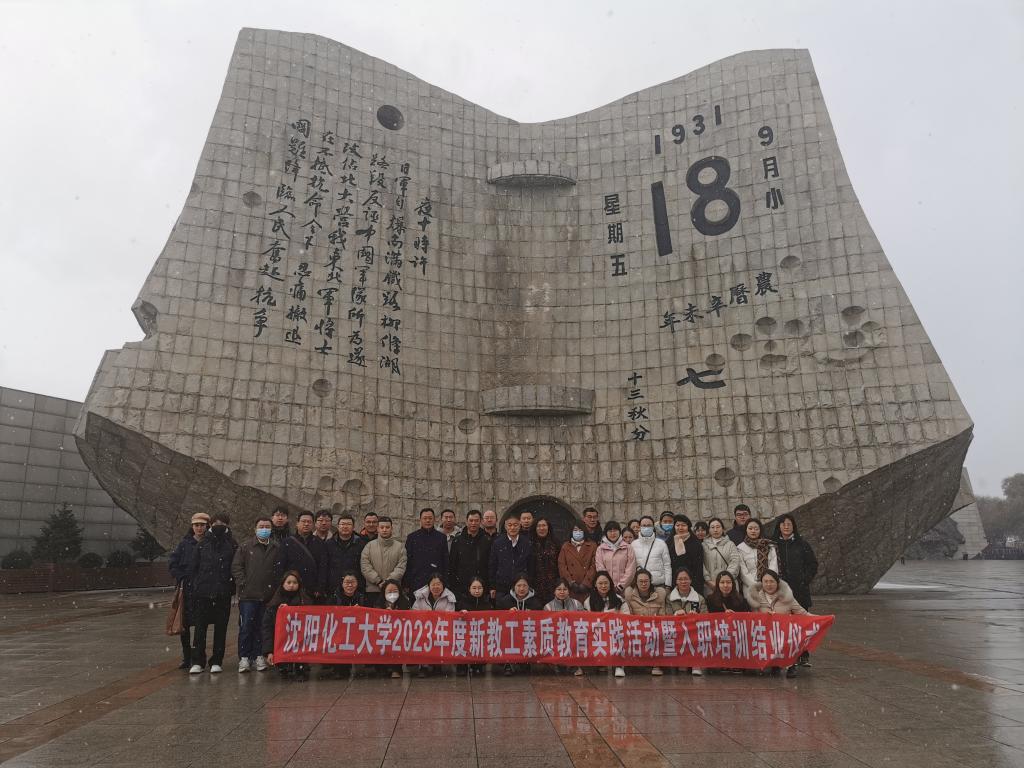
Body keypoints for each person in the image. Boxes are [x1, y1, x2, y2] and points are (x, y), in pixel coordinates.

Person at [188, 513, 237, 674]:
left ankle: (217, 660)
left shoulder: (232, 544)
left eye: (222, 523)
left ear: (227, 525)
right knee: (200, 629)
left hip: (223, 593)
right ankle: (198, 661)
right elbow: (194, 567)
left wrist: (231, 587)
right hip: (203, 593)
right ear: (211, 525)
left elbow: (235, 568)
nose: (219, 526)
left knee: (221, 629)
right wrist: (197, 585)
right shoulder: (203, 543)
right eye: (216, 523)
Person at [231, 516, 279, 673]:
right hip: (248, 596)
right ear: (255, 529)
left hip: (268, 596)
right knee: (246, 627)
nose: (264, 529)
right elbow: (237, 567)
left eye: (267, 527)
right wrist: (243, 583)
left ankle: (259, 655)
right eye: (261, 526)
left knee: (262, 627)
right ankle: (244, 657)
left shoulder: (275, 547)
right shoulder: (245, 547)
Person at [745, 570, 810, 678]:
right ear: (761, 583)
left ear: (777, 583)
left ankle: (791, 665)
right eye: (765, 581)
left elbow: (803, 614)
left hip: (784, 633)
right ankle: (772, 663)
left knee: (791, 634)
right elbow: (753, 618)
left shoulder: (787, 597)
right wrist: (766, 617)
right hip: (766, 634)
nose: (769, 584)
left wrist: (822, 619)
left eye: (772, 581)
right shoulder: (756, 598)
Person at [774, 513, 818, 666]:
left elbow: (812, 564)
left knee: (801, 623)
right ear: (779, 526)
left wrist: (804, 580)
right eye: (783, 524)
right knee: (782, 624)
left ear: (793, 526)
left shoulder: (802, 544)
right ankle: (784, 654)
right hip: (780, 592)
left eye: (789, 524)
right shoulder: (773, 545)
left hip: (799, 591)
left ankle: (803, 654)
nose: (786, 527)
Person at [169, 512, 209, 669]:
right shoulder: (184, 544)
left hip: (203, 590)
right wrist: (182, 577)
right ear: (192, 526)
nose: (199, 528)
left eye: (202, 525)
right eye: (196, 525)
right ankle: (187, 657)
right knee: (184, 625)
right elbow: (173, 563)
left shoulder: (209, 543)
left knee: (200, 626)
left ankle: (198, 656)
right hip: (186, 591)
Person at [263, 570, 310, 681]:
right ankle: (284, 666)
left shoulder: (305, 601)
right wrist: (269, 652)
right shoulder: (274, 604)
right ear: (283, 584)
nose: (291, 585)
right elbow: (267, 629)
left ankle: (301, 667)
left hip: (300, 641)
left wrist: (293, 610)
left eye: (294, 582)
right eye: (288, 582)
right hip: (282, 642)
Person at [584, 571, 630, 678]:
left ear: (610, 584)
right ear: (595, 585)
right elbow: (586, 621)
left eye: (606, 583)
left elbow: (627, 617)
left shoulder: (619, 600)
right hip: (597, 633)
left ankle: (618, 665)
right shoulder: (588, 601)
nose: (603, 586)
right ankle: (599, 662)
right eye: (600, 583)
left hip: (615, 632)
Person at [411, 572, 457, 677]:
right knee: (422, 637)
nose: (436, 587)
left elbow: (450, 615)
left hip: (442, 628)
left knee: (440, 637)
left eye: (438, 584)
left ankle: (437, 664)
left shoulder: (449, 597)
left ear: (443, 585)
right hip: (424, 628)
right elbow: (414, 612)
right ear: (429, 585)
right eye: (433, 584)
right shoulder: (420, 596)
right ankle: (424, 666)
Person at [496, 573, 543, 675]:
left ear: (529, 587)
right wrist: (508, 614)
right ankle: (508, 663)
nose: (522, 589)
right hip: (510, 633)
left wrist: (532, 615)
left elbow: (541, 621)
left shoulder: (536, 602)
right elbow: (498, 619)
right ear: (514, 586)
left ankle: (525, 661)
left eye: (524, 586)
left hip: (528, 633)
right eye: (519, 585)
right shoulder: (505, 601)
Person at [624, 568, 668, 676]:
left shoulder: (660, 594)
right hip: (636, 628)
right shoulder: (629, 594)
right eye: (641, 581)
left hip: (655, 628)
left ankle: (656, 664)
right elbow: (628, 615)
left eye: (646, 581)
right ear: (636, 582)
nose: (644, 584)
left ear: (650, 581)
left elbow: (663, 615)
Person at [326, 572, 369, 679]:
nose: (350, 585)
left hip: (358, 630)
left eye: (353, 582)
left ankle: (360, 667)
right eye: (347, 582)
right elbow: (328, 614)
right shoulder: (335, 597)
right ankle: (340, 668)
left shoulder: (362, 597)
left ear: (357, 583)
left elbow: (370, 615)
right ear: (342, 583)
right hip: (339, 630)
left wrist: (361, 611)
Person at [667, 567, 708, 676]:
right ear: (676, 581)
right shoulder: (669, 598)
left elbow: (706, 618)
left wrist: (697, 617)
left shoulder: (700, 598)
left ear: (691, 580)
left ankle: (695, 663)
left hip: (694, 631)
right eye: (680, 579)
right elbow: (666, 617)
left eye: (686, 579)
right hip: (676, 630)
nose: (683, 582)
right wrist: (676, 615)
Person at [360, 515, 406, 604]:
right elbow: (365, 566)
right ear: (377, 529)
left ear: (392, 529)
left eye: (387, 527)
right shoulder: (369, 546)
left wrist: (388, 583)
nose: (384, 530)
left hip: (393, 590)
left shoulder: (400, 547)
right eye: (382, 527)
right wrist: (378, 581)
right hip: (373, 590)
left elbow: (401, 567)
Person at [545, 578, 585, 676]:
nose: (562, 592)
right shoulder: (548, 607)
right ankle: (557, 664)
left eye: (565, 589)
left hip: (573, 637)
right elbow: (546, 627)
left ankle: (574, 665)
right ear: (554, 591)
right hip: (556, 638)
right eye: (559, 589)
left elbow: (584, 622)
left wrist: (570, 617)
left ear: (569, 591)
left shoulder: (577, 604)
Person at [488, 511, 532, 600]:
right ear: (505, 526)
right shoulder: (498, 543)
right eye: (510, 525)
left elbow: (531, 565)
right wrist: (492, 586)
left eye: (515, 525)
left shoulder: (526, 543)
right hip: (502, 586)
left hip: (521, 587)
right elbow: (493, 565)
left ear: (520, 525)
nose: (512, 528)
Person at [448, 509, 491, 599]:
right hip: (462, 587)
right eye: (471, 520)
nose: (473, 523)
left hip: (482, 586)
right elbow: (452, 565)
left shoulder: (487, 540)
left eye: (476, 520)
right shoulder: (458, 540)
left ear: (481, 522)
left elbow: (490, 564)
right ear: (466, 522)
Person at [405, 508, 449, 593]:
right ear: (420, 520)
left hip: (436, 581)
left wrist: (445, 582)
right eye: (425, 518)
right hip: (416, 581)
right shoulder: (412, 537)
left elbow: (445, 561)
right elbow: (408, 561)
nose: (428, 520)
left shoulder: (441, 538)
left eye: (430, 518)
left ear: (434, 520)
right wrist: (406, 583)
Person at [455, 576, 490, 675]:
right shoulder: (462, 602)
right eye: (474, 588)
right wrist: (461, 614)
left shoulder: (487, 604)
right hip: (465, 634)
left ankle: (478, 665)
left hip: (480, 635)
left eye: (479, 588)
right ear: (469, 589)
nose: (477, 591)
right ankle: (462, 665)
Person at [325, 512, 366, 598]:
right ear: (338, 526)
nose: (345, 526)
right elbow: (325, 565)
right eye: (343, 524)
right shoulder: (329, 544)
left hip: (354, 587)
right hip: (333, 587)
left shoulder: (361, 544)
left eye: (348, 524)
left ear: (353, 527)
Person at [294, 510, 330, 601]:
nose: (306, 524)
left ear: (313, 524)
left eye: (309, 522)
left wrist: (320, 587)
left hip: (312, 590)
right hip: (292, 586)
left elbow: (323, 567)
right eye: (303, 521)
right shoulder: (288, 542)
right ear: (297, 523)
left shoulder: (320, 543)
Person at [558, 523, 597, 603]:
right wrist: (570, 582)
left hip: (587, 587)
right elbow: (562, 566)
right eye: (575, 530)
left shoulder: (592, 546)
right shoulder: (565, 546)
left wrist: (586, 583)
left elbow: (594, 565)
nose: (578, 532)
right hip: (571, 588)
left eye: (580, 530)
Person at [595, 521, 636, 596]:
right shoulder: (600, 549)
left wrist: (621, 586)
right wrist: (608, 585)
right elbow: (600, 568)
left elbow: (631, 569)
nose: (613, 533)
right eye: (610, 531)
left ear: (619, 532)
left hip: (625, 589)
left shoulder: (628, 548)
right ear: (606, 533)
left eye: (615, 531)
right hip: (606, 588)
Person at [379, 579, 410, 678]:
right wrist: (383, 612)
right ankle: (382, 668)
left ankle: (396, 669)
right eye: (389, 591)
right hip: (382, 632)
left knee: (397, 643)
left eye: (395, 591)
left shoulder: (404, 602)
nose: (392, 594)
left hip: (399, 633)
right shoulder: (379, 602)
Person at [631, 515, 672, 589]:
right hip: (640, 586)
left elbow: (667, 565)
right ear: (640, 527)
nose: (646, 528)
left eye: (649, 525)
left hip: (658, 585)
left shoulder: (661, 543)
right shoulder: (633, 544)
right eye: (644, 525)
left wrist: (668, 585)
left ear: (653, 527)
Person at [737, 519, 779, 592]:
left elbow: (773, 565)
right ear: (746, 530)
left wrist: (767, 582)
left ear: (760, 530)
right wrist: (755, 585)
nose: (753, 531)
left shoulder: (769, 545)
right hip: (750, 587)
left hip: (769, 586)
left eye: (756, 529)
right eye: (750, 528)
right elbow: (743, 571)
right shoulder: (740, 548)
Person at [703, 518, 741, 594]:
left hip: (729, 585)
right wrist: (708, 580)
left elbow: (735, 562)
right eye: (712, 527)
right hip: (711, 586)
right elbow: (701, 564)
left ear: (723, 529)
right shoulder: (703, 545)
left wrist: (726, 580)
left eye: (718, 527)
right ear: (709, 530)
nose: (715, 530)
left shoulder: (730, 544)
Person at [668, 514, 703, 590]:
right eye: (677, 525)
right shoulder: (669, 542)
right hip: (673, 581)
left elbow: (698, 567)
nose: (680, 528)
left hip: (692, 581)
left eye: (683, 525)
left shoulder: (696, 543)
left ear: (688, 527)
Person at [530, 517, 561, 603]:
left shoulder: (556, 542)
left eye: (544, 525)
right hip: (535, 584)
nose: (541, 528)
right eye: (539, 526)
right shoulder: (530, 543)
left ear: (548, 527)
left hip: (553, 583)